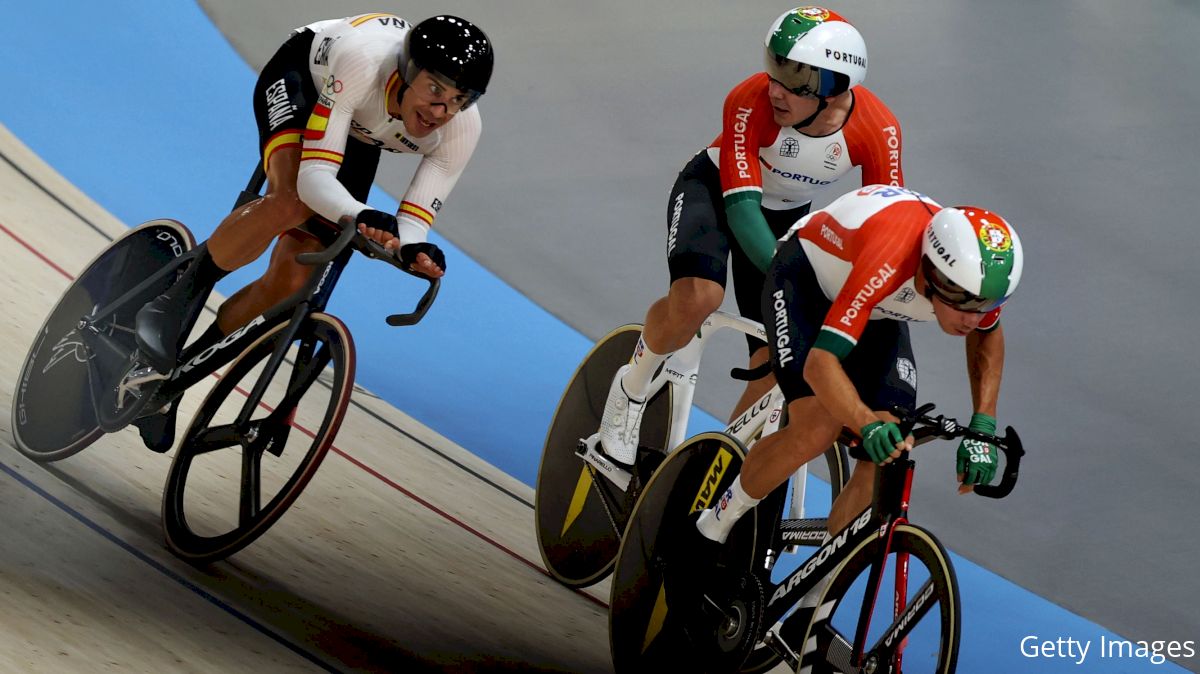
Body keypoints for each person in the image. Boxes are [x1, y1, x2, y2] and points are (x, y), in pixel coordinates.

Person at [131, 13, 493, 449]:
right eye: (435, 89)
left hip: (357, 128)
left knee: (291, 283)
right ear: (408, 72)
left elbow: (414, 219)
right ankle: (175, 300)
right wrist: (360, 214)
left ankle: (173, 380)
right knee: (289, 201)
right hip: (305, 78)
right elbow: (315, 180)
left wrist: (415, 250)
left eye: (461, 98)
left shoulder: (462, 128)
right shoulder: (365, 62)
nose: (443, 111)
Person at [680, 183, 1023, 607]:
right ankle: (710, 527)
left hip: (876, 308)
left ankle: (813, 600)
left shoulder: (972, 284)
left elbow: (988, 337)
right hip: (805, 282)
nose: (974, 318)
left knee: (888, 454)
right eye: (964, 302)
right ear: (931, 273)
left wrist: (982, 424)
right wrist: (863, 421)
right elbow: (820, 365)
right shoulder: (891, 258)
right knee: (819, 425)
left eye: (986, 304)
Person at [593, 6, 904, 470]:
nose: (775, 88)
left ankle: (709, 476)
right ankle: (629, 388)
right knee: (698, 297)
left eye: (794, 79)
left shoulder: (879, 131)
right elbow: (741, 213)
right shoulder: (748, 98)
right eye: (774, 65)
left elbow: (888, 227)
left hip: (785, 216)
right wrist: (798, 288)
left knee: (775, 362)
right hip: (716, 193)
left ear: (833, 86)